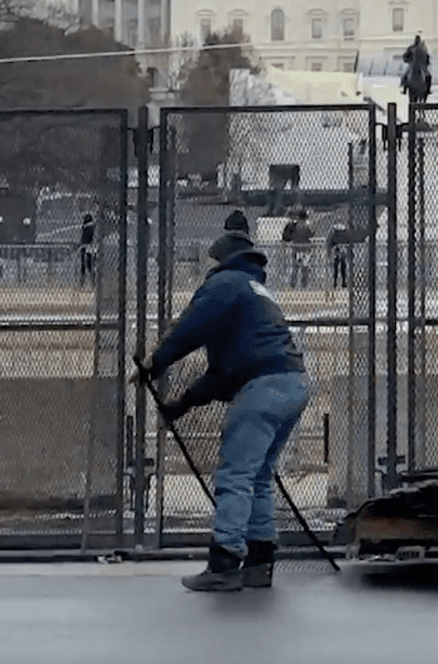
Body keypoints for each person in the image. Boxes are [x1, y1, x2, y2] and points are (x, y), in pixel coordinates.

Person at [141, 209, 310, 593]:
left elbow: (190, 328)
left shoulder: (225, 285)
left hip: (263, 387)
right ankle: (260, 559)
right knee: (259, 475)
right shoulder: (255, 289)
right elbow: (223, 374)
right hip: (293, 384)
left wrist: (156, 362)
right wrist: (181, 406)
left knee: (234, 475)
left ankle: (224, 562)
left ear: (220, 259)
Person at [78, 213, 97, 289]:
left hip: (89, 248)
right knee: (87, 266)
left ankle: (90, 283)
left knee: (88, 266)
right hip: (87, 248)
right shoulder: (89, 227)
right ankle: (85, 283)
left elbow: (85, 239)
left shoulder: (89, 228)